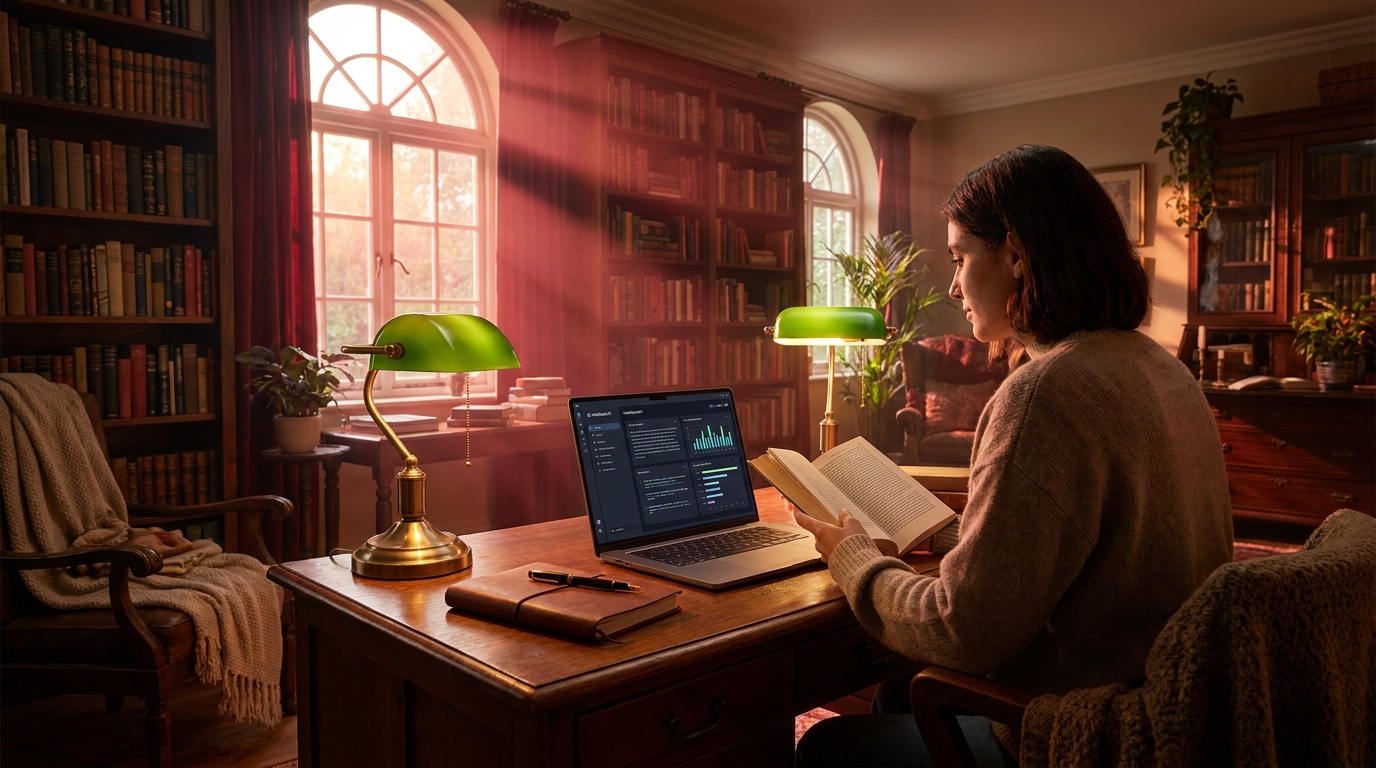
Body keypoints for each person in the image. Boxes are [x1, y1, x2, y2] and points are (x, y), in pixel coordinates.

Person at [793, 144, 1232, 767]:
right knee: (897, 694)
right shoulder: (1160, 367)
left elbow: (958, 631)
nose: (952, 284)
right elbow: (1085, 544)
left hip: (1085, 733)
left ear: (1018, 254)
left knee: (825, 746)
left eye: (960, 257)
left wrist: (854, 559)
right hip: (1168, 706)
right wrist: (950, 537)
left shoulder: (1046, 391)